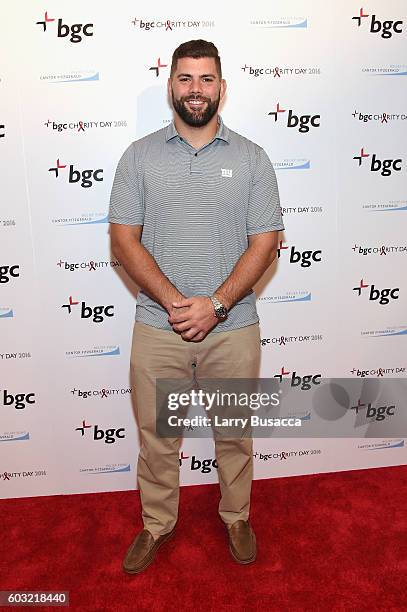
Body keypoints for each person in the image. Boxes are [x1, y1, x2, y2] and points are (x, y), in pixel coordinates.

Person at [109, 39, 284, 574]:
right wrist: (176, 304)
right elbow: (123, 239)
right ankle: (157, 524)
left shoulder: (252, 157)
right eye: (185, 79)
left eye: (206, 79)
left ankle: (236, 515)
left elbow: (266, 240)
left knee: (233, 434)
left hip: (233, 328)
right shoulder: (139, 155)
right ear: (171, 87)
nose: (195, 90)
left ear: (222, 88)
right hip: (157, 328)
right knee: (158, 438)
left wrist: (216, 304)